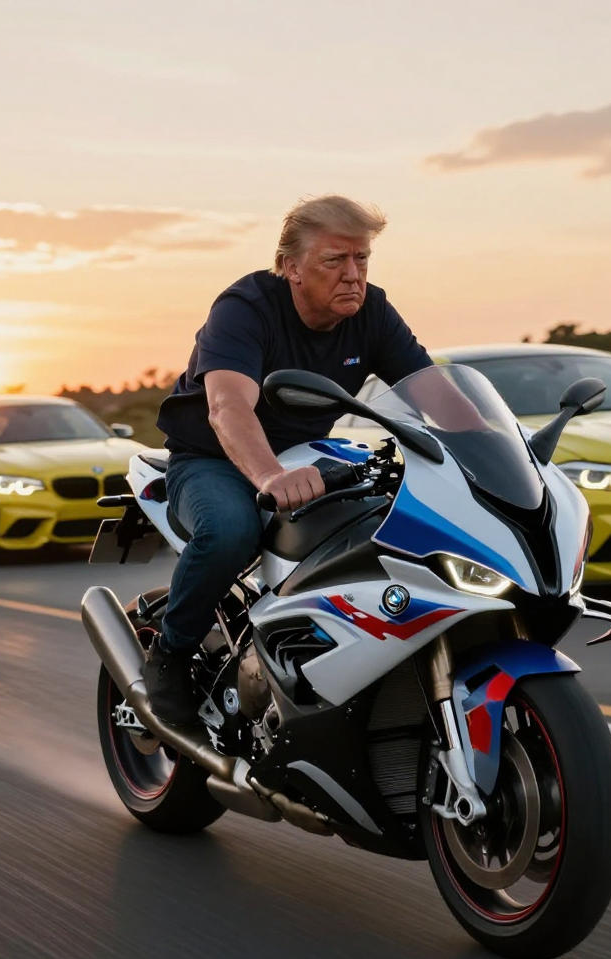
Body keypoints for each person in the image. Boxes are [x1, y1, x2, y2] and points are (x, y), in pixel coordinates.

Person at [146, 195, 433, 725]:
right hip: (212, 459)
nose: (353, 275)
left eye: (362, 258)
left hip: (305, 459)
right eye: (334, 260)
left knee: (385, 529)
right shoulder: (245, 308)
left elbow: (434, 393)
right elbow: (227, 407)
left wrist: (511, 449)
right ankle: (170, 653)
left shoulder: (371, 311)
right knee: (230, 531)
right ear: (291, 267)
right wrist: (270, 475)